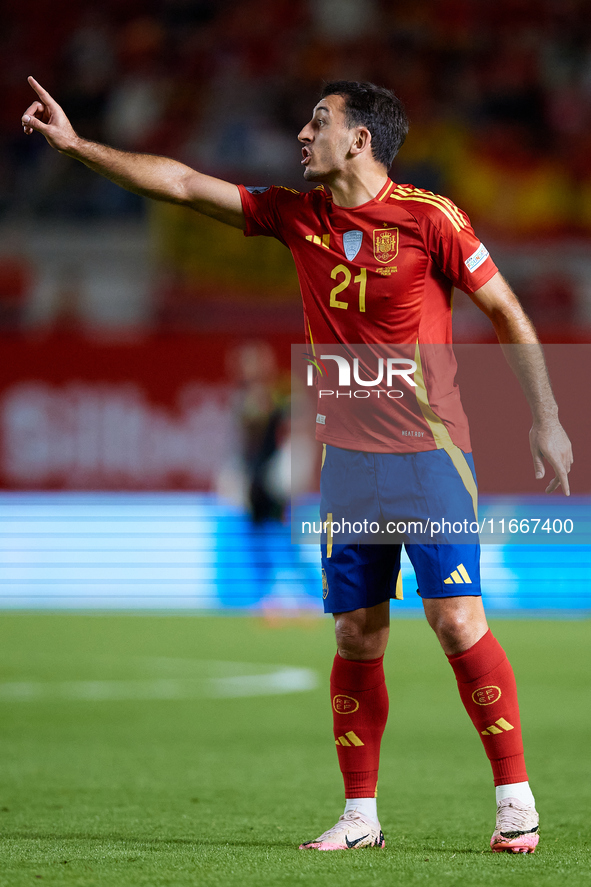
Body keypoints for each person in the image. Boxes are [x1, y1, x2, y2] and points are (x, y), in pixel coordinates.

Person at [22, 77, 573, 854]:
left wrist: (547, 416)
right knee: (354, 632)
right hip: (347, 463)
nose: (301, 135)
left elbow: (507, 310)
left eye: (318, 121)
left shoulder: (429, 218)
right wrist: (79, 148)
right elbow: (180, 182)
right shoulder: (294, 214)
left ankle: (515, 801)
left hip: (429, 453)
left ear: (360, 140)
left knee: (454, 618)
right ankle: (359, 815)